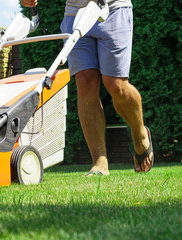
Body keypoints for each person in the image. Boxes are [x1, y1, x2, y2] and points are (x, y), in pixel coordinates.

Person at [21, 0, 153, 175]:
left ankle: (140, 134)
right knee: (85, 82)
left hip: (113, 8)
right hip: (75, 13)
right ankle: (99, 161)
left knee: (116, 85)